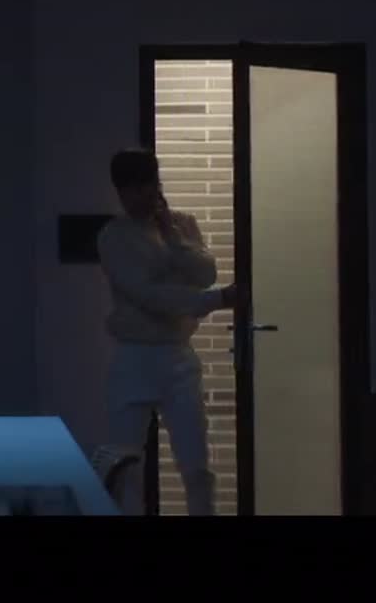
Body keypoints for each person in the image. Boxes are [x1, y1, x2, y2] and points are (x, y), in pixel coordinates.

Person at [96, 148, 237, 516]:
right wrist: (217, 299)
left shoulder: (182, 225)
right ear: (120, 192)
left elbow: (204, 273)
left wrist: (172, 237)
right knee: (124, 467)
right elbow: (150, 296)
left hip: (178, 355)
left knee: (197, 465)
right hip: (134, 357)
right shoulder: (114, 236)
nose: (142, 196)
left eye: (148, 186)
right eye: (132, 190)